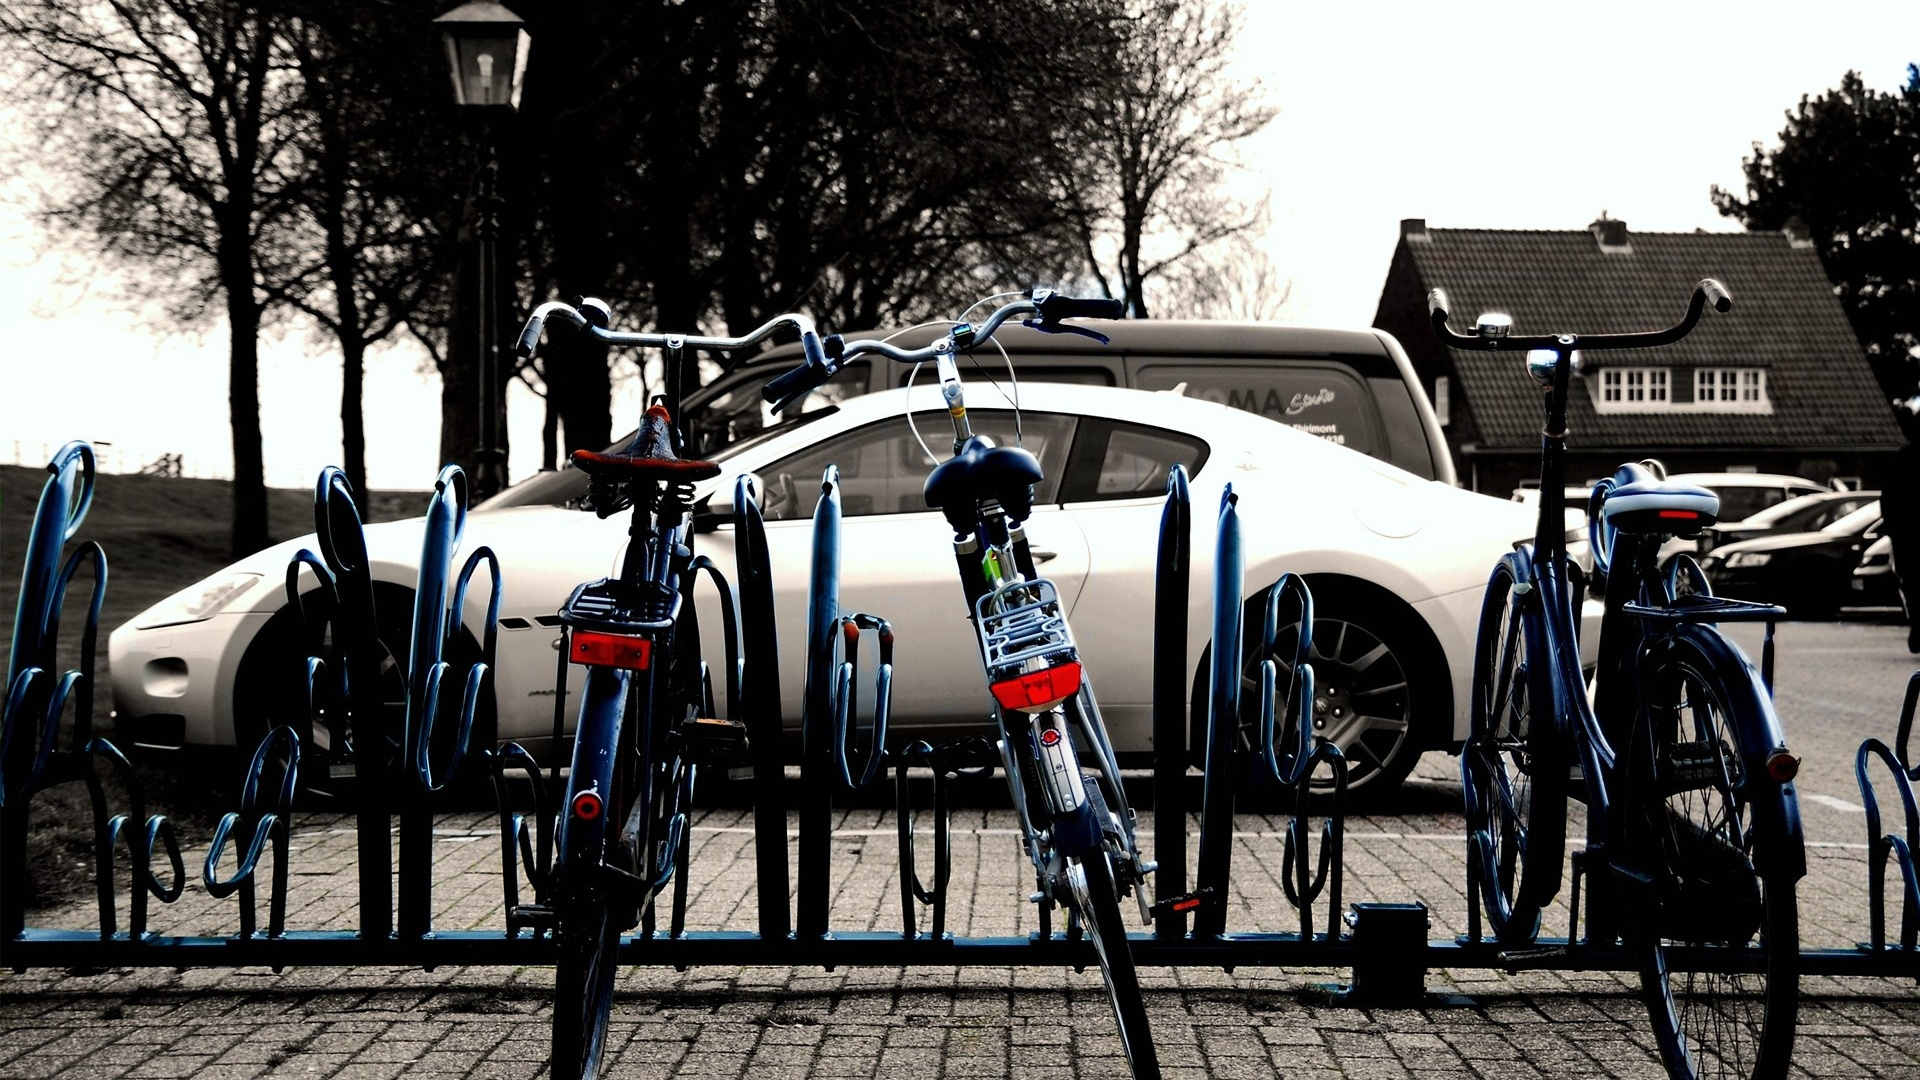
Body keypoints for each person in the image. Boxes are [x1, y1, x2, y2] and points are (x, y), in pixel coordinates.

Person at [1880, 442, 1920, 652]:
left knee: (1910, 582)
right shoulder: (1903, 458)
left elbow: (1887, 499)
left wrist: (1892, 528)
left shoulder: (1902, 458)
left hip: (1906, 535)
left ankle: (1916, 624)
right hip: (1906, 534)